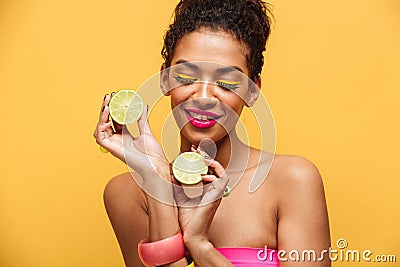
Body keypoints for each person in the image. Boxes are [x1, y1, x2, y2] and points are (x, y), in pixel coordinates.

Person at [94, 0, 331, 266]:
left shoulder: (292, 181)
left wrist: (200, 245)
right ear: (165, 79)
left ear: (252, 92)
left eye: (227, 83)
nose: (204, 97)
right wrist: (156, 180)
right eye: (185, 78)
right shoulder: (127, 194)